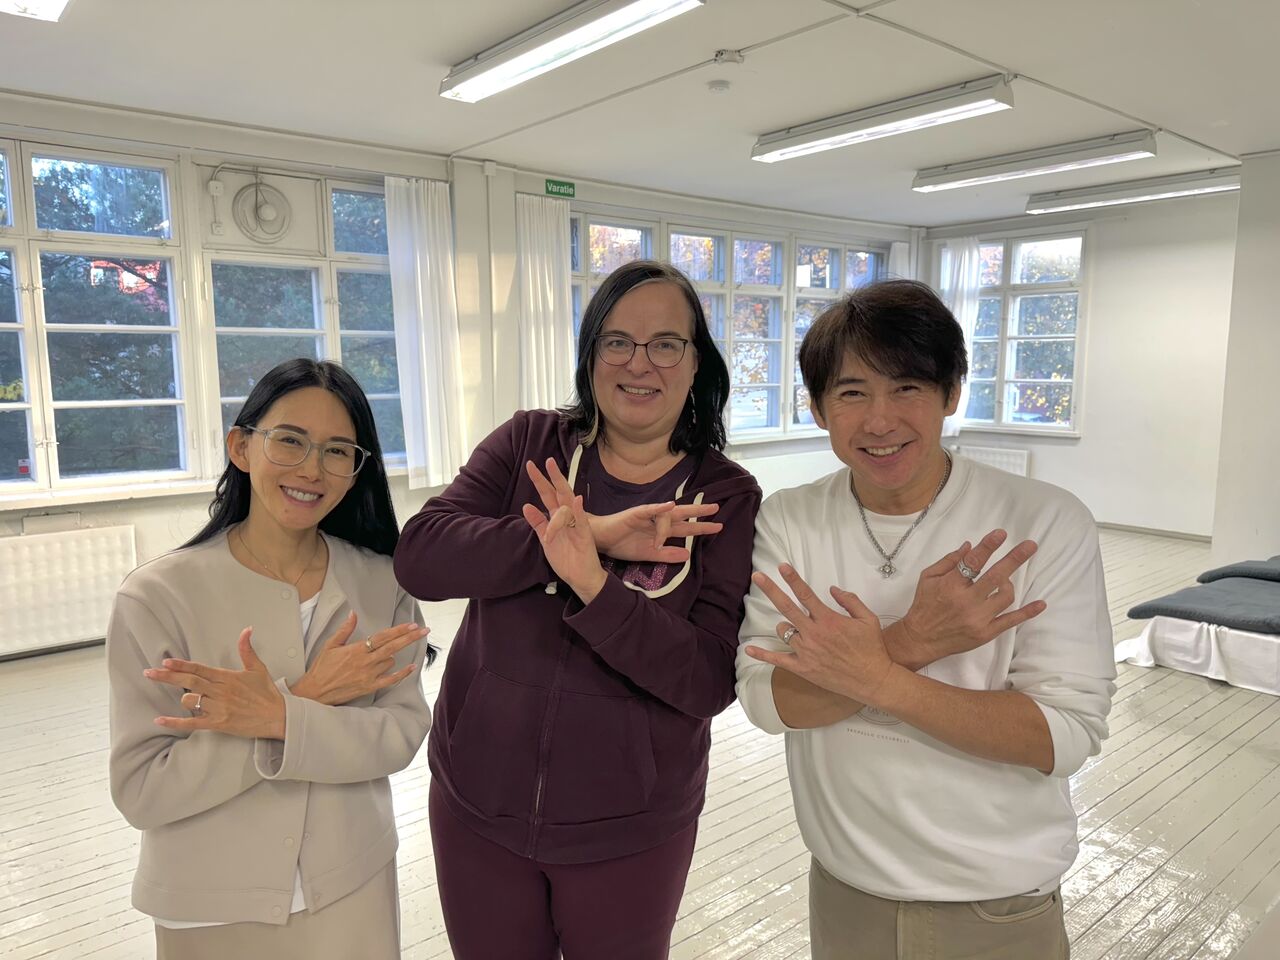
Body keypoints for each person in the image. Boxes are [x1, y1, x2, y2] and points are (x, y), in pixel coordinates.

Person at [735, 280, 1116, 959]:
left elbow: (1063, 734)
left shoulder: (1044, 521)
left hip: (995, 904)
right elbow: (770, 702)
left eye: (907, 387)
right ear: (818, 408)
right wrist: (912, 641)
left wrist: (877, 675)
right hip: (844, 889)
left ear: (952, 392)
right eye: (852, 393)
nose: (880, 421)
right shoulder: (791, 519)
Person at [395, 259, 761, 959]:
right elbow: (422, 555)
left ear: (696, 363)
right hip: (477, 808)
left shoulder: (723, 496)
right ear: (591, 355)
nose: (639, 363)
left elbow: (708, 679)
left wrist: (596, 586)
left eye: (666, 344)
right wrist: (579, 536)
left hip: (628, 831)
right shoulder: (529, 445)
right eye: (617, 341)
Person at [107, 358, 434, 960]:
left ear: (356, 469)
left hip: (351, 884)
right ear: (241, 447)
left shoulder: (383, 581)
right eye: (289, 440)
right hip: (209, 903)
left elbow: (400, 734)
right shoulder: (157, 597)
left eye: (338, 451)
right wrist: (303, 702)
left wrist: (277, 716)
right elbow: (143, 789)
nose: (312, 468)